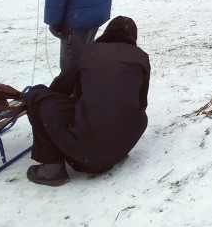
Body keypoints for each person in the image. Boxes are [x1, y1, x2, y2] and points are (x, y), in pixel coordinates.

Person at [23, 16, 150, 186]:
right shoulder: (141, 57)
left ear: (106, 33)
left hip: (86, 150)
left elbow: (59, 90)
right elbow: (142, 103)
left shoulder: (87, 52)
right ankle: (113, 149)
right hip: (121, 146)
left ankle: (52, 169)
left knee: (36, 96)